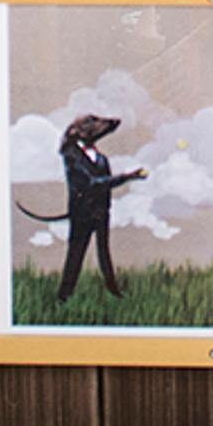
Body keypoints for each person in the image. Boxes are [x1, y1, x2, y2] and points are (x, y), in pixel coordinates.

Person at [54, 113, 144, 300]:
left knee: (104, 252)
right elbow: (91, 183)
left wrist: (106, 206)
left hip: (101, 212)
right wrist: (126, 177)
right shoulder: (71, 154)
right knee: (76, 254)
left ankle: (114, 291)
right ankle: (64, 295)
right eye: (93, 122)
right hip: (82, 214)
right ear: (79, 132)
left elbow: (104, 185)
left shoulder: (101, 158)